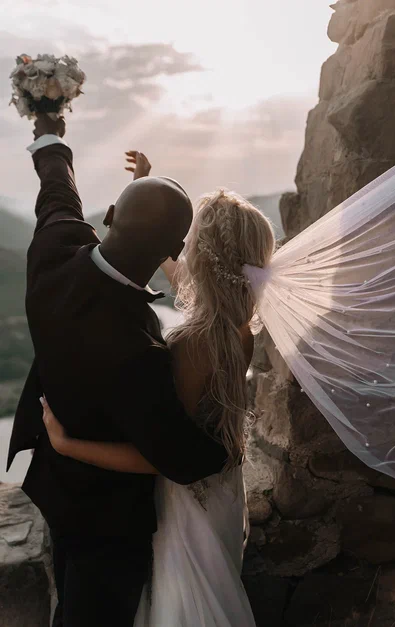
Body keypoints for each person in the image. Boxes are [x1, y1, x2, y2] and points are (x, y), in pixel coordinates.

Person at [7, 115, 228, 627]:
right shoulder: (137, 350)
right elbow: (189, 460)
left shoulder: (52, 254)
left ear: (108, 214)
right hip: (107, 526)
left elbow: (56, 191)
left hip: (54, 489)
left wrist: (49, 132)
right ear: (175, 253)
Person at [41, 157, 276, 625]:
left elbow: (162, 458)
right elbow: (178, 272)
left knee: (185, 602)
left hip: (187, 501)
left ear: (206, 258)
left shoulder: (194, 343)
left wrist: (68, 444)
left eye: (188, 244)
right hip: (223, 493)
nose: (182, 251)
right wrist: (142, 201)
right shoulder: (237, 327)